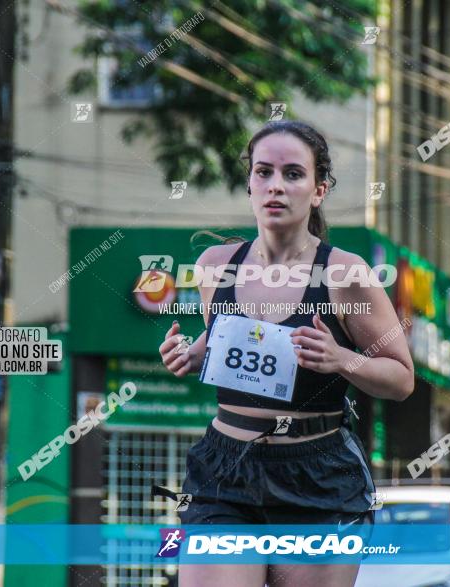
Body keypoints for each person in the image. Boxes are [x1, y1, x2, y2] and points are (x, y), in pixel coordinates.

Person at [158, 120, 415, 586]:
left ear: (319, 190)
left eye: (293, 174)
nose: (276, 185)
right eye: (264, 172)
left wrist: (342, 359)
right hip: (225, 472)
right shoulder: (214, 268)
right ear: (250, 183)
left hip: (319, 477)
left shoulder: (345, 274)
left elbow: (401, 378)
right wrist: (188, 355)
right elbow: (224, 338)